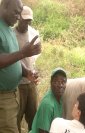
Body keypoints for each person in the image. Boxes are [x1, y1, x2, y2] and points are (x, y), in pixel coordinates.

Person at [0, 0, 41, 132]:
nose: (18, 17)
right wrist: (23, 53)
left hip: (13, 93)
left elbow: (13, 59)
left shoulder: (8, 29)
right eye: (16, 12)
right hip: (3, 96)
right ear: (5, 6)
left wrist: (26, 72)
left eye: (20, 13)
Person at [14, 5, 40, 133]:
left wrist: (35, 71)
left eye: (29, 21)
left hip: (31, 83)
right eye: (25, 20)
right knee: (16, 117)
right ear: (18, 17)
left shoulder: (34, 33)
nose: (27, 23)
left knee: (33, 115)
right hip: (17, 83)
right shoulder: (12, 34)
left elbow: (35, 58)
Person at [30, 67, 67, 133]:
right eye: (56, 81)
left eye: (63, 82)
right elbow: (42, 131)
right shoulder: (48, 104)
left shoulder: (60, 97)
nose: (60, 85)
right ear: (51, 83)